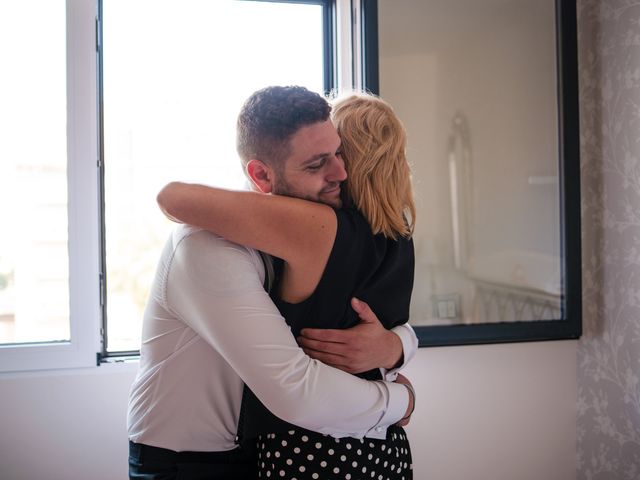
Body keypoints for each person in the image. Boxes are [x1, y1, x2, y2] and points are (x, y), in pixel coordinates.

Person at [128, 86, 418, 480]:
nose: (340, 173)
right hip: (191, 463)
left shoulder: (303, 235)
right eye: (317, 164)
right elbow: (296, 390)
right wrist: (401, 399)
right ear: (261, 174)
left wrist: (398, 342)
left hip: (259, 455)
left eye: (339, 153)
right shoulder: (206, 248)